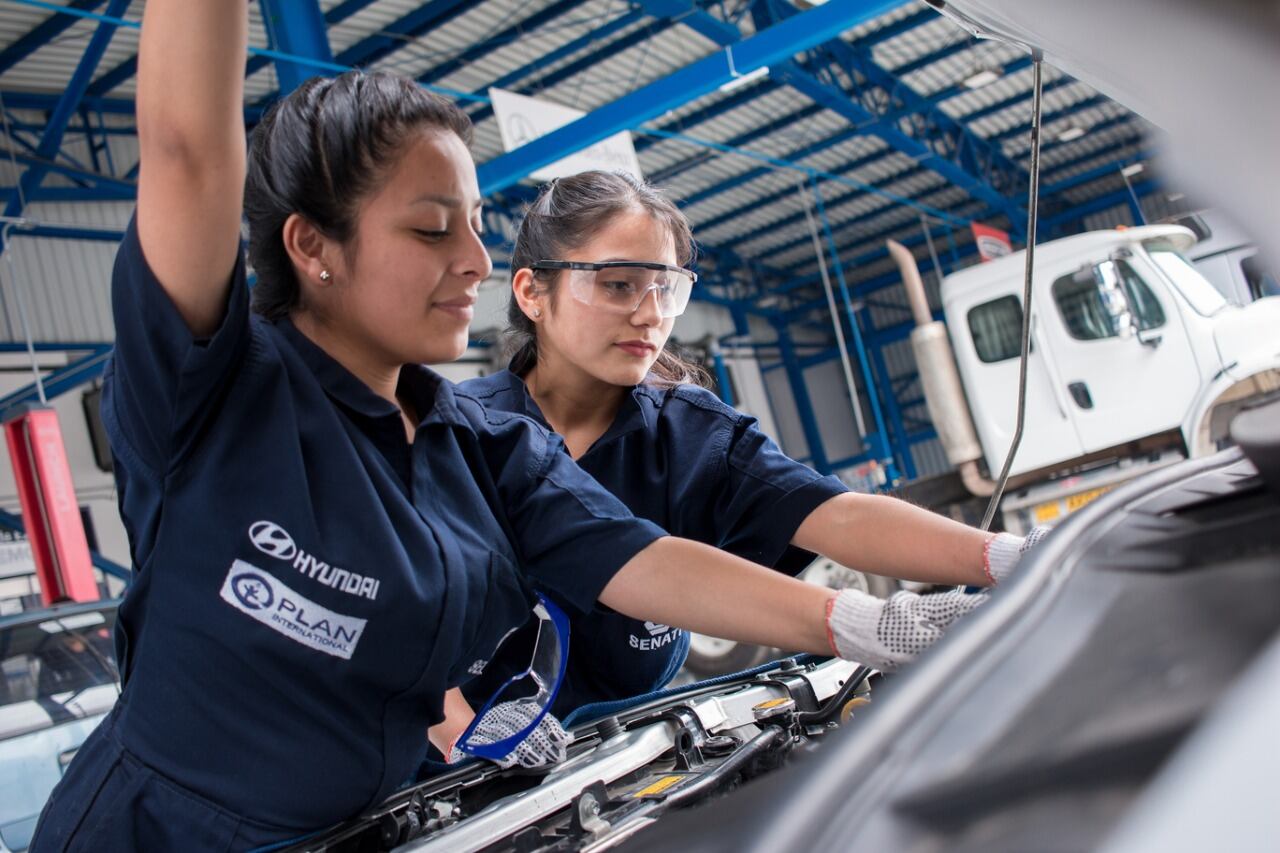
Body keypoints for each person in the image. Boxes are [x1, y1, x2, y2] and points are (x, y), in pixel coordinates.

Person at [31, 5, 979, 850]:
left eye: (478, 223)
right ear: (312, 245)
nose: (477, 260)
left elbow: (639, 558)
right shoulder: (215, 389)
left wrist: (866, 621)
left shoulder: (474, 442)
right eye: (433, 228)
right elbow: (189, 145)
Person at [460, 170, 1045, 721]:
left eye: (667, 289)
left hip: (624, 748)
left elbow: (832, 515)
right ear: (533, 293)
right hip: (448, 777)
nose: (651, 314)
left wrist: (1006, 557)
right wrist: (461, 743)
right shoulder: (466, 436)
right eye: (618, 285)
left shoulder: (689, 433)